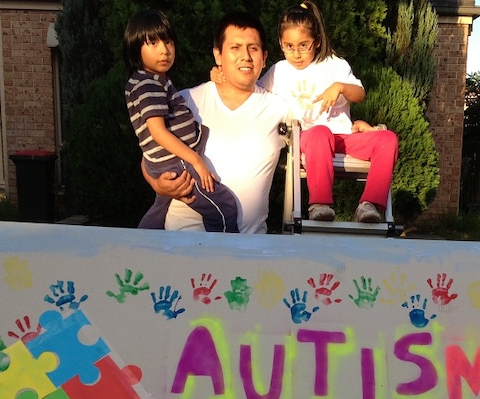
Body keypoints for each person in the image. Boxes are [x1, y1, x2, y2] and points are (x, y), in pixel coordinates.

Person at [142, 12, 289, 234]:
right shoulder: (186, 102)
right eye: (235, 48)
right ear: (218, 55)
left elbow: (321, 131)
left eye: (253, 48)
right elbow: (149, 155)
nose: (246, 56)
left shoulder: (280, 109)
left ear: (264, 57)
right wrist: (156, 184)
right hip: (182, 245)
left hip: (248, 251)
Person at [258, 1, 398, 223]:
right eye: (289, 46)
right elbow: (256, 93)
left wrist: (340, 87)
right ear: (280, 44)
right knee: (320, 132)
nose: (296, 53)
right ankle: (319, 204)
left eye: (303, 45)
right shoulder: (280, 71)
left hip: (343, 137)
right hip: (308, 138)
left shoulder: (334, 64)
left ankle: (369, 205)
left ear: (317, 42)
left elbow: (360, 93)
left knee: (388, 139)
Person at [124, 9, 239, 232]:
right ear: (135, 48)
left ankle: (140, 246)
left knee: (160, 207)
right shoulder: (149, 85)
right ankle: (226, 255)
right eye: (153, 43)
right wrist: (196, 161)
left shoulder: (148, 80)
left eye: (168, 42)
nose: (164, 50)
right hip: (177, 161)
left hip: (161, 161)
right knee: (225, 207)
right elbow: (158, 132)